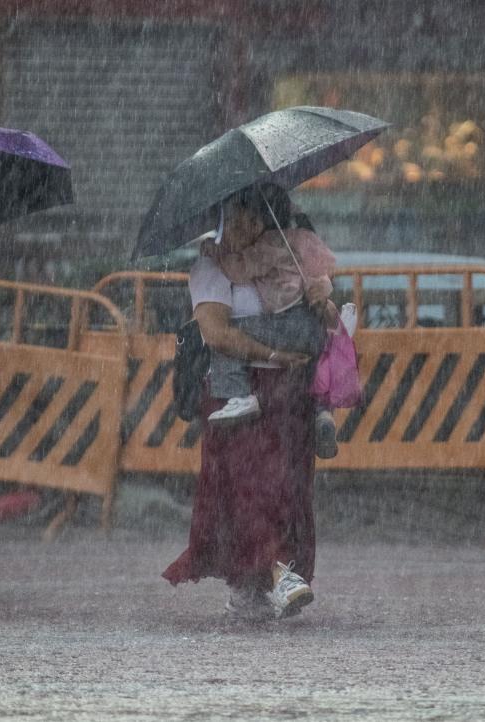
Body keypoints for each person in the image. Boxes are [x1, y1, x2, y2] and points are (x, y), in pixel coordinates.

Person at [162, 183, 327, 620]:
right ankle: (274, 572)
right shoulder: (212, 266)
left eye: (250, 219)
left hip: (290, 393)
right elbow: (215, 333)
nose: (241, 228)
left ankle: (268, 574)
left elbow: (321, 315)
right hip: (236, 395)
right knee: (249, 487)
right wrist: (270, 352)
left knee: (290, 485)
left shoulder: (287, 256)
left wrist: (319, 298)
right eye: (233, 219)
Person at [205, 185, 341, 458]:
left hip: (286, 323)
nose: (233, 229)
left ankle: (238, 395)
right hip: (311, 325)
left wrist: (214, 253)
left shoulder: (267, 246)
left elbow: (239, 271)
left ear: (258, 221)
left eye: (238, 221)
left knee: (225, 338)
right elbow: (325, 270)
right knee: (312, 366)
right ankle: (322, 413)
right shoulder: (304, 238)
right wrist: (322, 288)